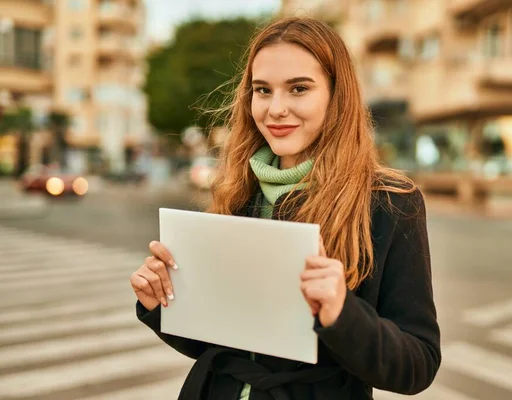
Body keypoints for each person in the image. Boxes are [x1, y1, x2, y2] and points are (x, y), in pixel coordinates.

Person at [130, 16, 441, 400]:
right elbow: (224, 346)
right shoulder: (237, 189)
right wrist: (161, 302)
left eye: (298, 89)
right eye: (263, 90)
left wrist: (342, 314)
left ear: (336, 94)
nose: (276, 109)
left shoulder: (391, 201)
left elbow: (418, 365)